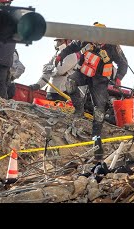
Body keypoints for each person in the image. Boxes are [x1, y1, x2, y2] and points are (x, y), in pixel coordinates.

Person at [55, 22, 128, 161]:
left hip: (100, 80)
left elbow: (123, 63)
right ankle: (79, 110)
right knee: (70, 83)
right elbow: (71, 48)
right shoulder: (85, 40)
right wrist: (61, 56)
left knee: (99, 109)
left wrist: (118, 78)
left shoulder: (113, 47)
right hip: (83, 73)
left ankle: (96, 136)